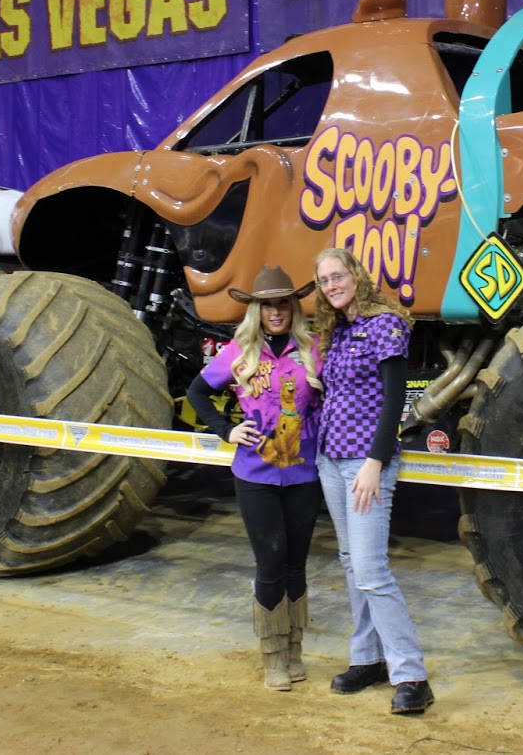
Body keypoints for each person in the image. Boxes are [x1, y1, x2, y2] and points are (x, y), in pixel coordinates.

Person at [184, 265, 323, 692]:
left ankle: (294, 648)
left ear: (293, 306)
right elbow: (196, 393)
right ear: (257, 310)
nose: (276, 312)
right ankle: (272, 657)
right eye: (268, 305)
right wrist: (226, 429)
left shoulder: (314, 348)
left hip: (304, 473)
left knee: (297, 563)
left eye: (283, 303)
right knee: (271, 562)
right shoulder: (240, 351)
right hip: (255, 474)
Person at [311, 247, 434, 715]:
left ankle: (412, 674)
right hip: (331, 461)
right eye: (323, 281)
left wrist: (375, 462)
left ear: (356, 275)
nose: (331, 286)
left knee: (370, 571)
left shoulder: (384, 325)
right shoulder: (336, 332)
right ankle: (367, 659)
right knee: (350, 564)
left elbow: (395, 400)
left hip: (366, 464)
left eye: (337, 276)